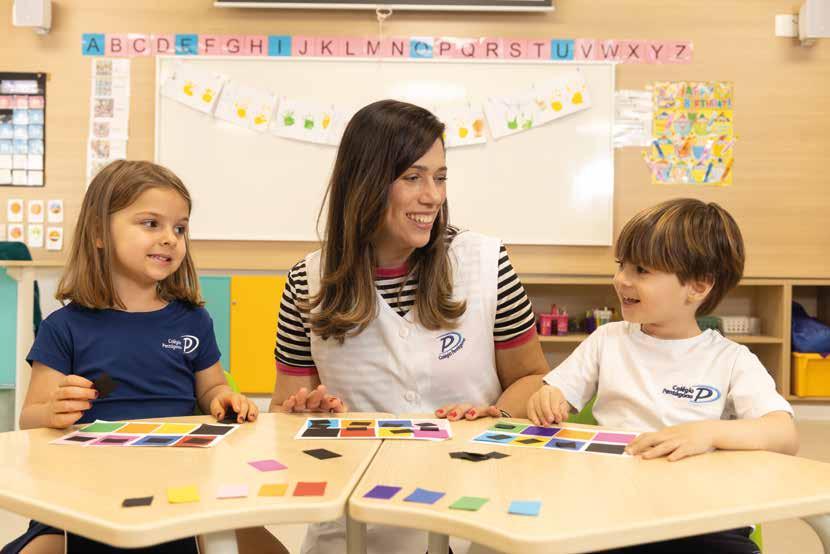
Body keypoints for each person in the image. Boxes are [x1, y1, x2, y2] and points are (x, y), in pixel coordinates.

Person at [269, 99, 549, 553]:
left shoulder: (486, 262)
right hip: (356, 525)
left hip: (472, 515)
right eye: (413, 178)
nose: (433, 196)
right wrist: (303, 416)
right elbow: (283, 414)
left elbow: (533, 378)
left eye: (440, 178)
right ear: (366, 182)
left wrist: (496, 416)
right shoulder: (308, 280)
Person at [2, 160, 264, 554]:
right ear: (98, 233)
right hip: (79, 499)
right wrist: (53, 411)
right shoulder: (64, 327)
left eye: (180, 228)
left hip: (179, 492)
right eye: (151, 223)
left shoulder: (193, 320)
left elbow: (211, 387)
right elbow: (30, 417)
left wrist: (223, 398)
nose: (170, 239)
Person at [528, 198, 798, 554]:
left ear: (698, 286)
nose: (621, 279)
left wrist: (707, 432)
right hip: (614, 510)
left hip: (705, 518)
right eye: (622, 265)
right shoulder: (608, 340)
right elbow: (556, 391)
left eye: (641, 270)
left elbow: (784, 434)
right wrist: (548, 397)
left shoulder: (732, 360)